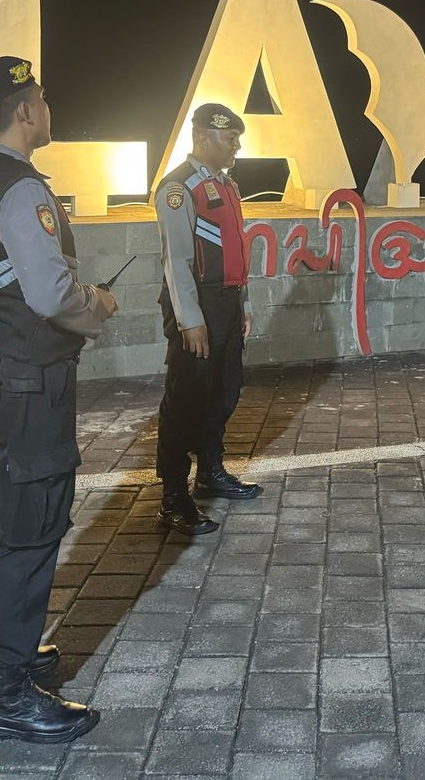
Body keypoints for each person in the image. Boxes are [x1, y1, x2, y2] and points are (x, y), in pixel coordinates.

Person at [0, 56, 118, 743]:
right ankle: (8, 695)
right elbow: (48, 294)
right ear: (23, 111)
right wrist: (96, 305)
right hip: (23, 377)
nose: (46, 107)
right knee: (28, 524)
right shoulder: (21, 188)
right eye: (41, 97)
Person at [153, 103, 260, 536]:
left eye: (237, 138)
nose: (237, 146)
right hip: (197, 305)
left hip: (227, 304)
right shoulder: (179, 188)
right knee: (185, 400)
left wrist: (244, 302)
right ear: (202, 138)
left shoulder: (226, 185)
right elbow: (176, 260)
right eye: (230, 138)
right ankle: (173, 496)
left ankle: (210, 473)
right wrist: (189, 320)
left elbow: (235, 251)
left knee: (224, 392)